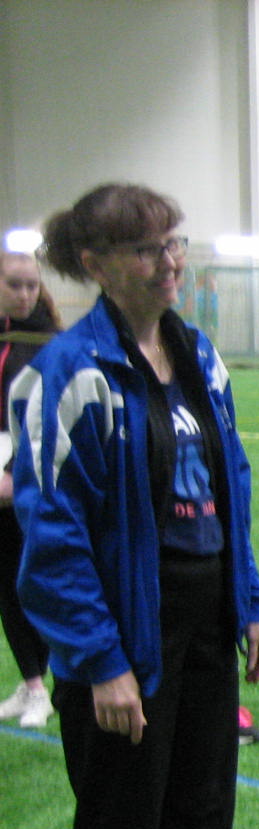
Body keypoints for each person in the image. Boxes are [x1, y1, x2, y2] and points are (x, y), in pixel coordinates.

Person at [10, 184, 259, 829]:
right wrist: (99, 659)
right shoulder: (68, 372)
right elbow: (50, 532)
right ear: (94, 265)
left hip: (204, 630)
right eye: (146, 250)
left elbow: (230, 479)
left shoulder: (199, 355)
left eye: (175, 243)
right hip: (125, 642)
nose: (170, 262)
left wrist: (248, 600)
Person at [0, 249, 60, 728]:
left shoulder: (48, 345)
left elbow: (50, 423)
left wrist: (14, 477)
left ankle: (56, 684)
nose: (24, 294)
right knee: (6, 585)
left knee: (34, 584)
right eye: (13, 284)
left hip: (29, 485)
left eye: (31, 285)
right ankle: (32, 684)